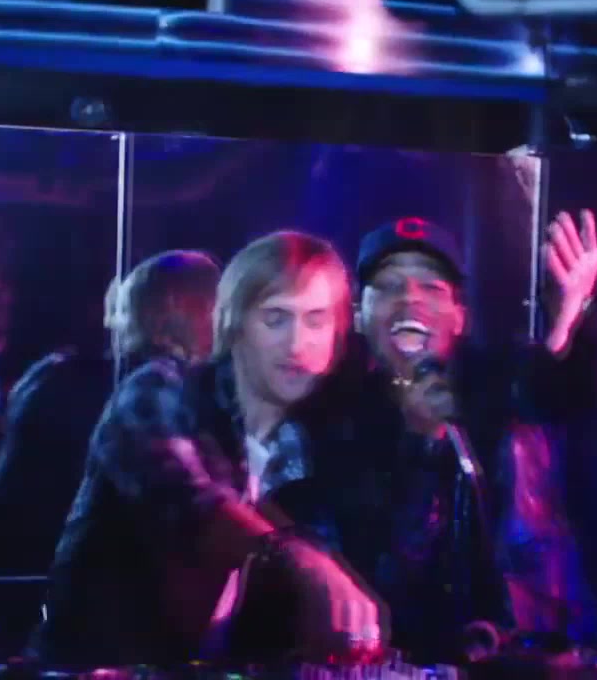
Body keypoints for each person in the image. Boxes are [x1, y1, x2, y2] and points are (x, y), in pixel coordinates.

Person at [32, 231, 385, 666]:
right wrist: (302, 562)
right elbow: (190, 501)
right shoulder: (162, 390)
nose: (297, 343)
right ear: (233, 324)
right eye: (275, 318)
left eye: (316, 321)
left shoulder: (299, 446)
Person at [0, 250, 221, 676]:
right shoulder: (160, 392)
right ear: (185, 309)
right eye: (220, 308)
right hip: (67, 622)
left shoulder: (52, 372)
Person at [348, 212, 597, 661]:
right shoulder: (340, 420)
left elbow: (571, 380)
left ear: (460, 318)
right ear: (358, 315)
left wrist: (583, 309)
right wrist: (420, 443)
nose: (410, 299)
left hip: (526, 652)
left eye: (432, 288)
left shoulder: (497, 385)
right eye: (388, 285)